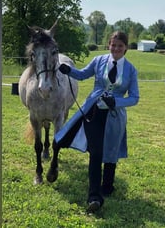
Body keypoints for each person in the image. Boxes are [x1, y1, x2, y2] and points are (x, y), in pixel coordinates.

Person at [54, 31, 139, 213]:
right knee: (96, 152)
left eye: (120, 46)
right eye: (113, 45)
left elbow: (134, 98)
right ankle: (94, 196)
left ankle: (108, 185)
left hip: (115, 116)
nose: (116, 49)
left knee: (111, 150)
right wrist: (69, 71)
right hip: (93, 111)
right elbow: (83, 74)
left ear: (126, 48)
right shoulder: (99, 61)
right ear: (109, 45)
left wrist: (116, 102)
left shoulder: (131, 70)